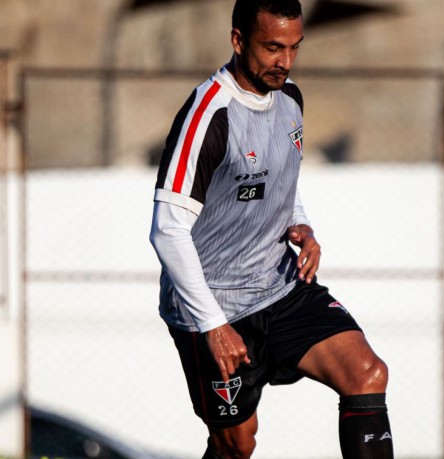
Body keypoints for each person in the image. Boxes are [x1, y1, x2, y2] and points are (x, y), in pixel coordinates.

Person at [149, 1, 393, 457]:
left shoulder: (291, 99)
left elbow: (282, 179)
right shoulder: (209, 116)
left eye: (294, 48)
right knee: (237, 445)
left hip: (281, 286)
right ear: (238, 40)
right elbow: (167, 229)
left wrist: (301, 223)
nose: (285, 61)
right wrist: (213, 325)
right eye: (272, 48)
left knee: (367, 373)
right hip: (214, 307)